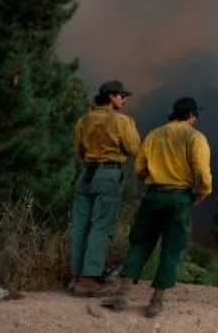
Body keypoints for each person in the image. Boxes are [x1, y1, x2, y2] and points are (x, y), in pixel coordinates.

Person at [102, 97, 211, 318]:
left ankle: (122, 295)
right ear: (191, 115)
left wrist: (154, 179)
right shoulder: (195, 137)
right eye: (195, 115)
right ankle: (156, 302)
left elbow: (139, 168)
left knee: (139, 244)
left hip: (153, 196)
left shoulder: (154, 134)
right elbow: (201, 170)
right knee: (171, 249)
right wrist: (202, 192)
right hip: (179, 199)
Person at [69, 80, 141, 297]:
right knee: (100, 226)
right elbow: (133, 148)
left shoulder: (83, 120)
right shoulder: (122, 121)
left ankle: (76, 277)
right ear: (111, 97)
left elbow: (79, 151)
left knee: (80, 226)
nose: (124, 99)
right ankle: (89, 280)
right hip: (107, 174)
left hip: (85, 174)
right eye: (122, 96)